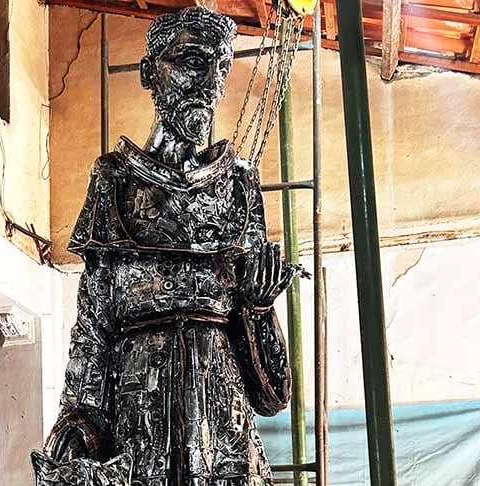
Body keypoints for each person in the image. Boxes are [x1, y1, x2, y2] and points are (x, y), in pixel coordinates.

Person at [44, 7, 307, 485]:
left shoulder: (238, 187)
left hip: (223, 444)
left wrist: (258, 308)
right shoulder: (115, 182)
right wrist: (77, 426)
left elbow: (273, 395)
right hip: (140, 444)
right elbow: (94, 332)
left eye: (220, 68)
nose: (208, 84)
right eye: (191, 61)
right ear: (150, 72)